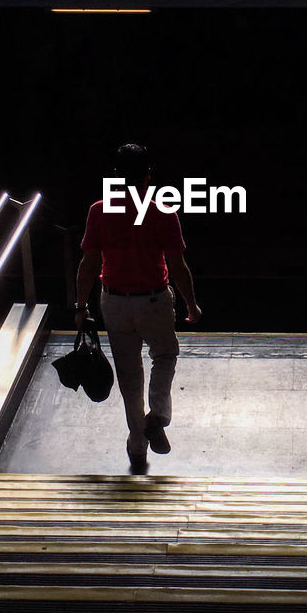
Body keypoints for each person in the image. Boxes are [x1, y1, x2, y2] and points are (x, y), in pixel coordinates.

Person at [75, 143, 202, 471]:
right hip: (154, 300)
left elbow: (88, 264)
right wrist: (191, 303)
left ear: (116, 175)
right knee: (164, 355)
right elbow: (178, 267)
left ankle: (136, 441)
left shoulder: (98, 211)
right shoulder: (163, 212)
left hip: (114, 302)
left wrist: (80, 305)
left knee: (129, 376)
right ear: (148, 176)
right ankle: (157, 414)